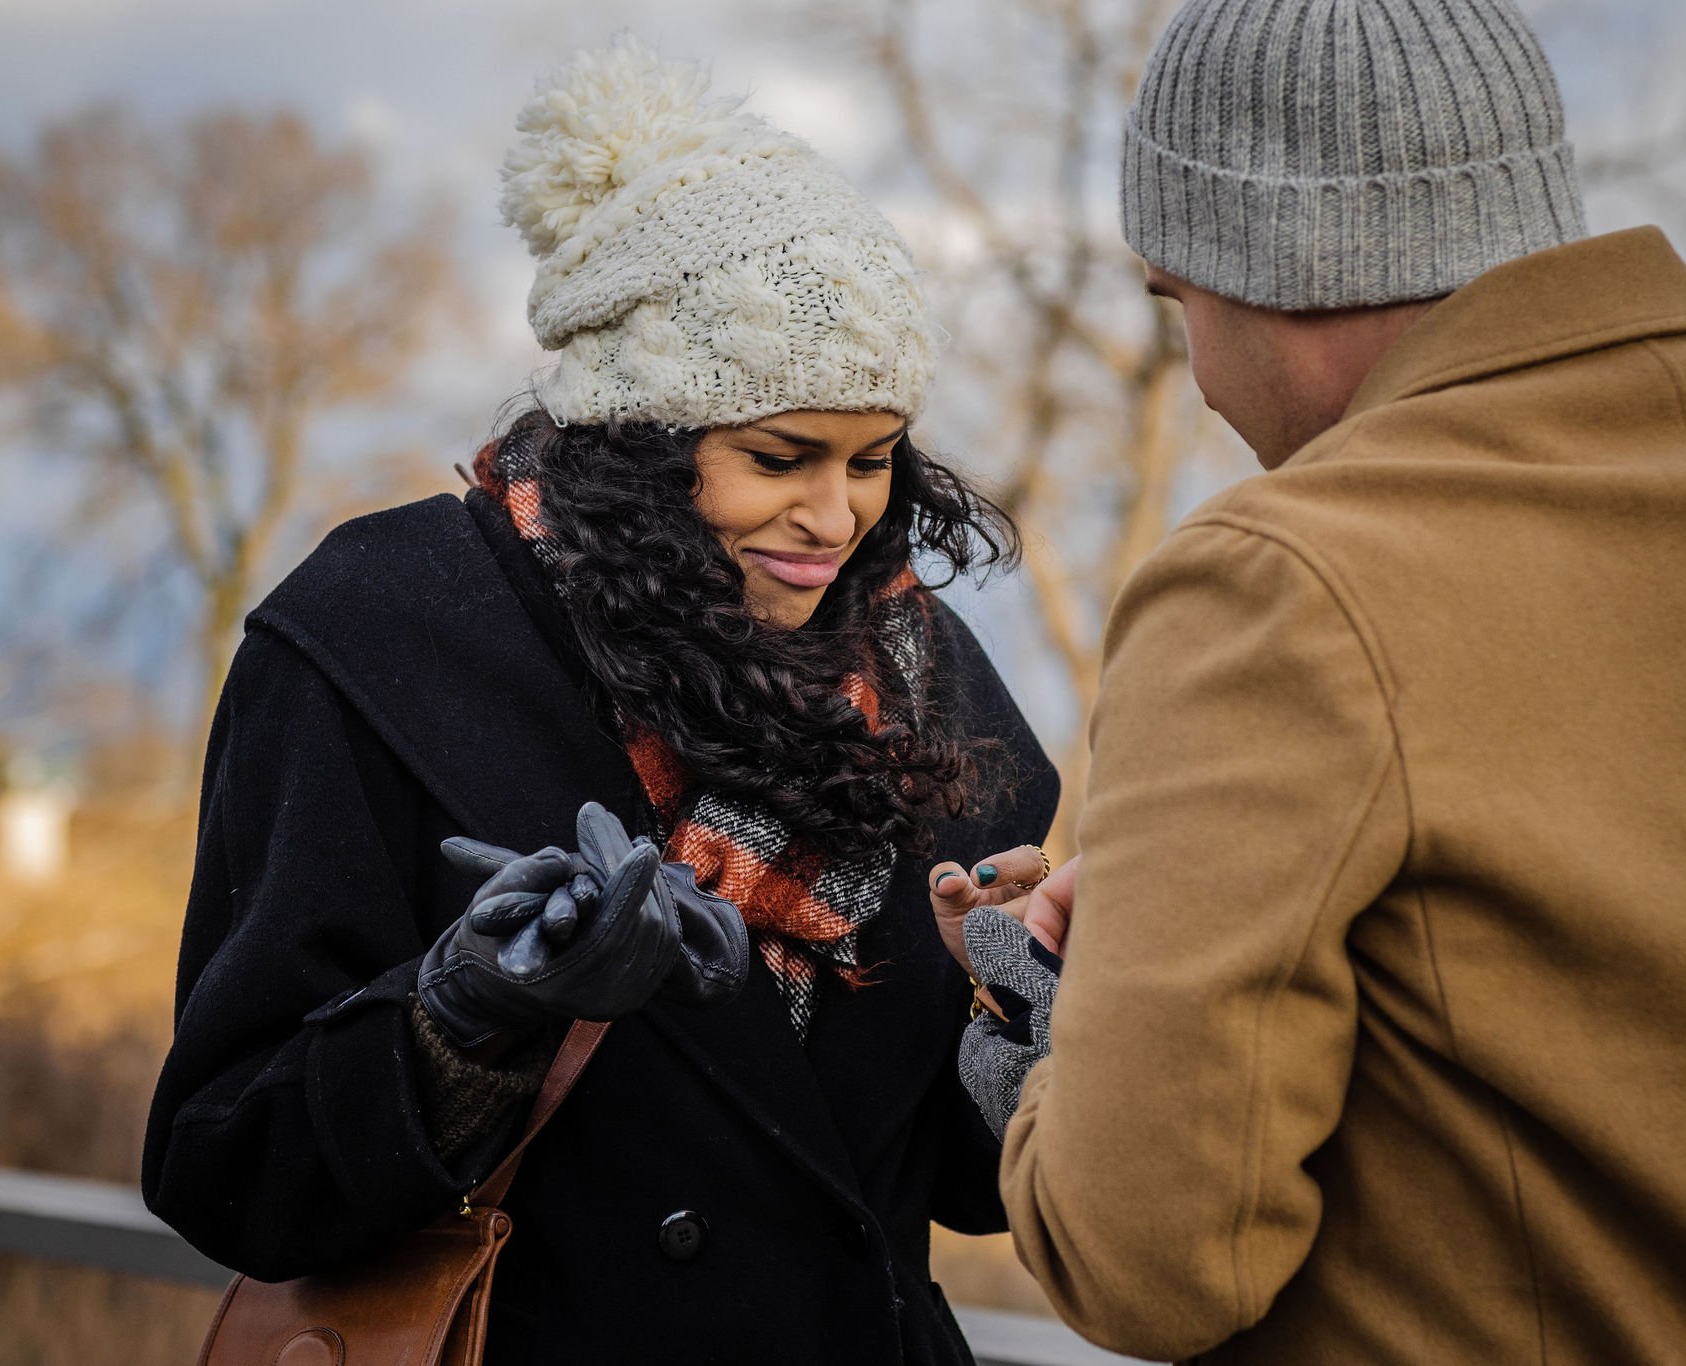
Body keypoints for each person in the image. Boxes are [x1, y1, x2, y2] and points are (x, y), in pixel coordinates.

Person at [141, 37, 1059, 1366]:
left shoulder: (935, 690)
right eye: (778, 455)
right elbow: (227, 1166)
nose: (835, 514)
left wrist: (1019, 1019)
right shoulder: (374, 635)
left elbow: (956, 1194)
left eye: (872, 458)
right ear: (641, 438)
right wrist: (463, 1011)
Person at [937, 0, 1686, 1361]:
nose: (1199, 372)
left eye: (1174, 302)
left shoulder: (1274, 579)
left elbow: (1153, 1261)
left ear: (1255, 269)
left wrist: (1066, 1053)